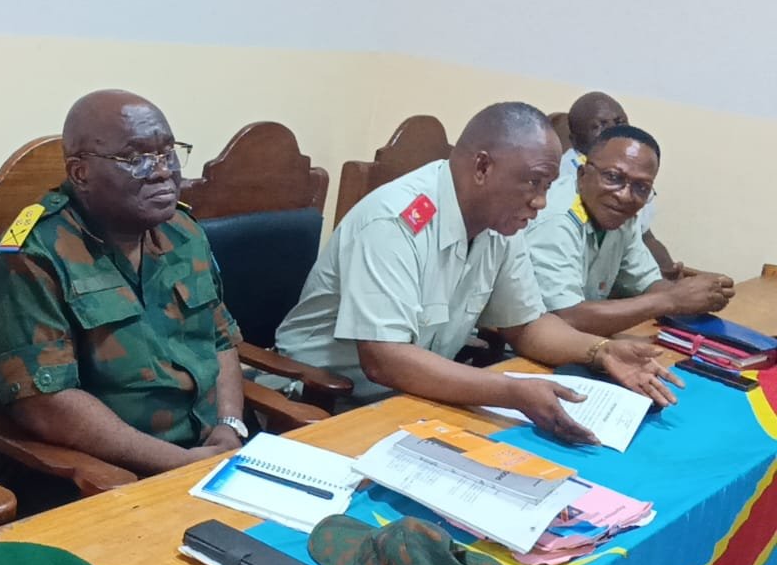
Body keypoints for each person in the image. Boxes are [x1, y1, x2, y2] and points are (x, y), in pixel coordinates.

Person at [273, 102, 683, 445]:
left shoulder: (500, 224)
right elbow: (385, 359)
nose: (541, 202)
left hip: (413, 399)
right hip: (323, 400)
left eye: (547, 186)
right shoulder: (396, 221)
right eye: (533, 183)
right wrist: (510, 392)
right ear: (483, 167)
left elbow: (527, 325)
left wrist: (600, 351)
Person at [0, 89, 248, 481]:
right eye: (136, 158)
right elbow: (46, 405)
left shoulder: (184, 231)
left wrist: (229, 425)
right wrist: (180, 464)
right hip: (98, 476)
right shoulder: (33, 256)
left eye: (167, 152)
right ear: (80, 173)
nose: (162, 171)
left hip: (208, 456)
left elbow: (220, 339)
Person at [526, 124, 734, 335]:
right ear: (582, 175)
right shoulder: (556, 220)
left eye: (641, 187)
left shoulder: (620, 215)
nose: (625, 196)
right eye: (613, 177)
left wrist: (699, 294)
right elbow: (567, 317)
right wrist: (672, 300)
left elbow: (648, 283)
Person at [547, 91, 681, 278]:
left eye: (619, 122)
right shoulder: (560, 185)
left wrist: (671, 276)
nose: (611, 130)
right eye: (599, 126)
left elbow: (644, 236)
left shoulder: (632, 184)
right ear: (582, 175)